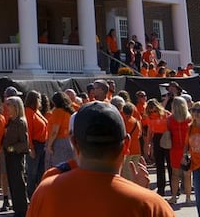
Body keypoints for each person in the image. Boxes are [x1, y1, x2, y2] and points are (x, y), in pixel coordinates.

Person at [27, 102, 172, 217]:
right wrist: (141, 193)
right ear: (126, 144)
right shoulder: (153, 206)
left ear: (74, 143)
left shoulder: (45, 194)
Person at [1, 96, 29, 217]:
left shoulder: (20, 122)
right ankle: (17, 209)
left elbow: (25, 143)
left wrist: (11, 148)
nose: (6, 107)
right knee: (12, 183)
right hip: (9, 156)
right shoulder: (10, 121)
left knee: (18, 183)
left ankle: (22, 211)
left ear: (16, 107)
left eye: (9, 105)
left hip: (16, 156)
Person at [167, 97, 192, 204]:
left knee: (175, 175)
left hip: (175, 149)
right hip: (188, 149)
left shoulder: (170, 120)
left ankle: (173, 196)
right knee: (187, 174)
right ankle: (188, 198)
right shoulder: (190, 119)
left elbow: (168, 133)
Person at [23, 91, 48, 193]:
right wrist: (31, 148)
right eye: (39, 99)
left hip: (42, 145)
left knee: (40, 172)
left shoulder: (37, 111)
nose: (40, 101)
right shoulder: (28, 111)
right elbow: (28, 131)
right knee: (32, 173)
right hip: (35, 145)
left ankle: (38, 193)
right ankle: (31, 195)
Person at [45, 93, 74, 167]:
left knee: (56, 167)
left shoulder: (58, 111)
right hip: (68, 141)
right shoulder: (69, 111)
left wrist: (49, 145)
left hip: (59, 142)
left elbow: (55, 131)